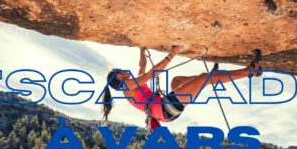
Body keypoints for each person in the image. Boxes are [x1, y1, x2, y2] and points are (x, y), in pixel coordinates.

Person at [102, 46, 262, 129]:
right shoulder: (127, 85)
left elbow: (142, 67)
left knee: (176, 81)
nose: (123, 70)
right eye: (120, 70)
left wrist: (142, 50)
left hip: (165, 110)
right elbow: (152, 73)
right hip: (166, 107)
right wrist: (173, 53)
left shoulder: (129, 88)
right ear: (118, 76)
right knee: (205, 79)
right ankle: (250, 72)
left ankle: (210, 78)